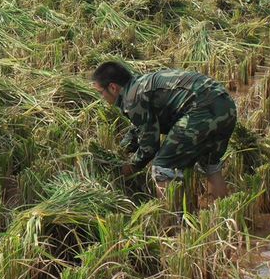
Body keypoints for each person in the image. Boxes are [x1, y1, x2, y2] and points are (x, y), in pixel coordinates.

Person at [91, 61, 237, 200]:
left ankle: (171, 222)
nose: (101, 97)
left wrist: (126, 169)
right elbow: (141, 129)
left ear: (112, 87)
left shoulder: (132, 99)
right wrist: (122, 149)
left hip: (201, 109)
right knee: (209, 164)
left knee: (163, 167)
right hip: (225, 105)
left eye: (100, 92)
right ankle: (220, 216)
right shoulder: (139, 86)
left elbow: (149, 147)